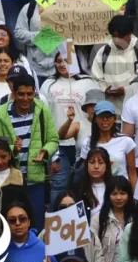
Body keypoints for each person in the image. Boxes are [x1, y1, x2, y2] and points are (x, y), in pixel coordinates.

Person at [0, 75, 60, 226]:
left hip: (35, 179)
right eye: (21, 94)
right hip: (9, 180)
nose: (26, 98)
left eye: (30, 94)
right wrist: (11, 149)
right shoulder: (1, 114)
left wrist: (46, 151)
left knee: (36, 224)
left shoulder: (43, 110)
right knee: (10, 224)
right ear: (14, 93)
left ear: (35, 92)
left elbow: (53, 139)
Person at [42, 52, 100, 194]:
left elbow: (97, 107)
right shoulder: (48, 84)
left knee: (82, 185)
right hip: (58, 144)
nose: (62, 64)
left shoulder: (88, 82)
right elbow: (43, 113)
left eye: (66, 61)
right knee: (59, 186)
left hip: (84, 142)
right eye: (59, 61)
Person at [91, 15, 138, 114]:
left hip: (137, 112)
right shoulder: (104, 52)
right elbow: (95, 78)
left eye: (120, 36)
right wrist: (104, 89)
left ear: (130, 34)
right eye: (113, 36)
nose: (116, 40)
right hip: (110, 115)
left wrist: (126, 90)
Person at [88, 177, 134, 262]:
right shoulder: (98, 219)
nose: (118, 198)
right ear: (108, 195)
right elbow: (92, 248)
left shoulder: (136, 217)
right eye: (114, 194)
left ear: (129, 195)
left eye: (122, 193)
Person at [16, 0, 66, 82]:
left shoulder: (66, 9)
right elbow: (18, 32)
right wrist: (40, 36)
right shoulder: (29, 8)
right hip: (35, 68)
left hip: (61, 68)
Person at [82, 101, 138, 186]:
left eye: (108, 117)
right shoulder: (87, 142)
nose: (105, 120)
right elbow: (85, 172)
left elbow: (132, 173)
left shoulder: (126, 141)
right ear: (95, 119)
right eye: (101, 116)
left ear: (114, 119)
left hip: (119, 192)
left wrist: (135, 198)